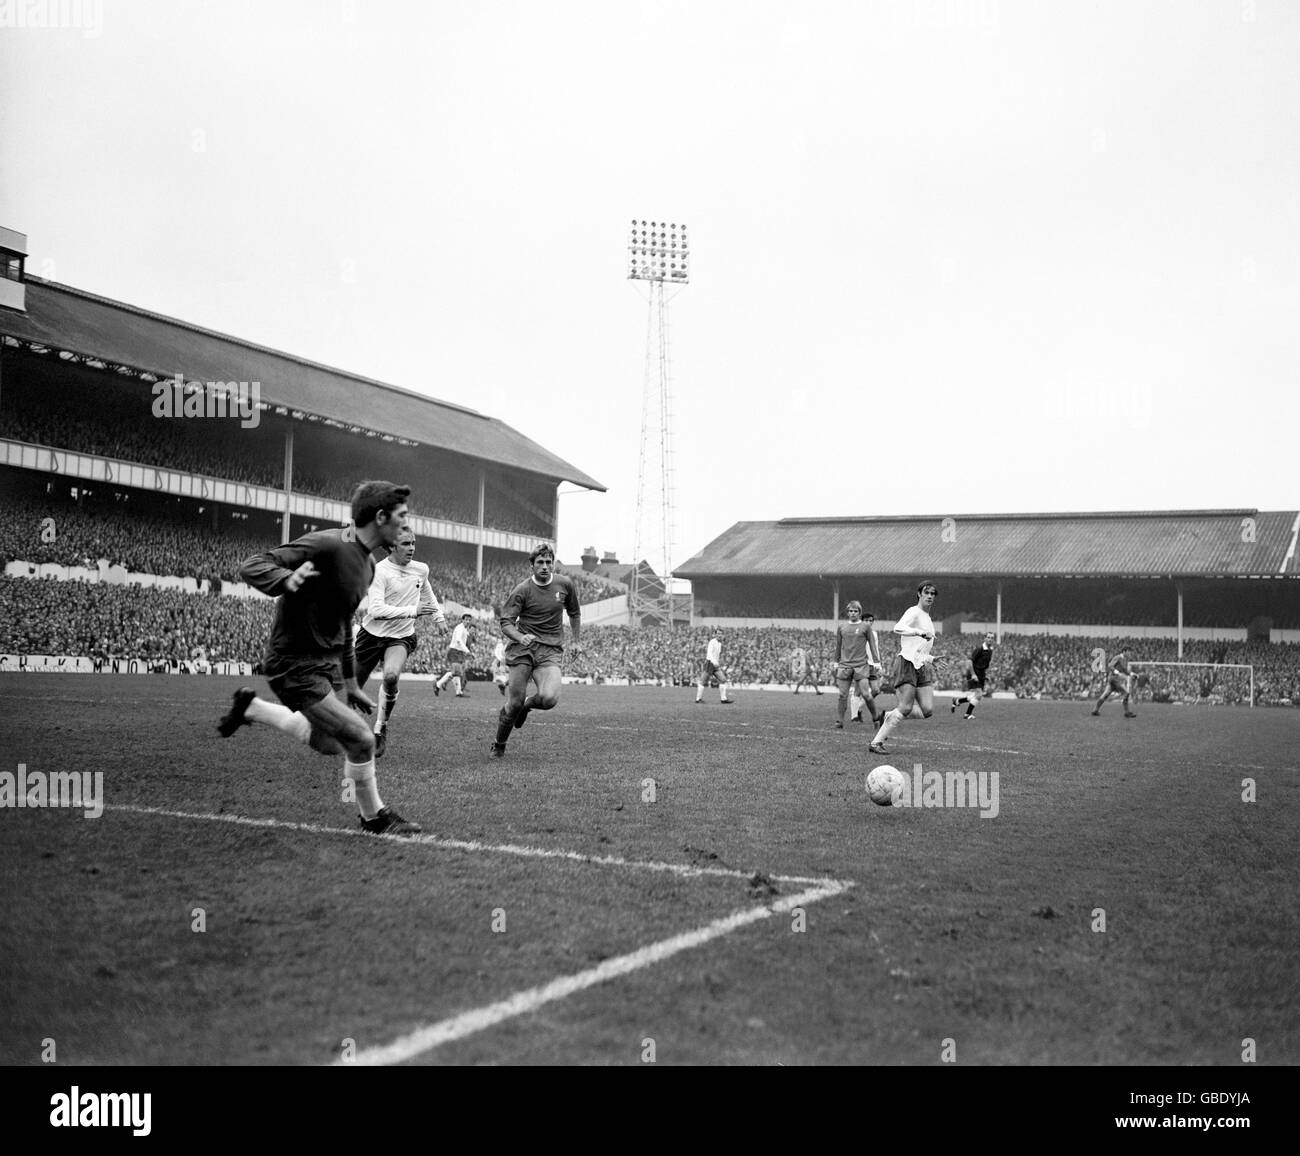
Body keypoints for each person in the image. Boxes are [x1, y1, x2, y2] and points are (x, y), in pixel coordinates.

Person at [217, 480, 422, 835]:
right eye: (401, 518)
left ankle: (252, 708)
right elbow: (253, 564)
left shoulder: (368, 566)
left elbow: (344, 624)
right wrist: (286, 579)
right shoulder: (329, 543)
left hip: (321, 667)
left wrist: (352, 684)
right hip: (293, 664)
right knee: (361, 738)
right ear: (380, 516)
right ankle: (374, 817)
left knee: (329, 743)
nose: (406, 526)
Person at [354, 527, 446, 758]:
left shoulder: (421, 569)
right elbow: (375, 610)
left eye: (413, 543)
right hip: (371, 636)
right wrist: (412, 611)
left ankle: (380, 728)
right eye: (406, 544)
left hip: (401, 637)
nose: (412, 548)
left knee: (391, 676)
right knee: (350, 691)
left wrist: (439, 617)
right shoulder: (379, 571)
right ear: (392, 547)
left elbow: (427, 593)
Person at [490, 544, 582, 757]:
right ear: (531, 565)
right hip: (523, 649)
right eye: (540, 562)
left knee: (549, 699)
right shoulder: (522, 590)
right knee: (513, 703)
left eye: (548, 562)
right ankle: (499, 744)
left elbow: (574, 613)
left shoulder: (565, 585)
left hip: (550, 650)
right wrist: (521, 637)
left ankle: (526, 707)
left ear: (553, 563)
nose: (545, 566)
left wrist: (576, 641)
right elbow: (506, 622)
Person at [870, 581, 939, 755]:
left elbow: (919, 648)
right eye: (927, 592)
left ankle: (889, 715)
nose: (930, 596)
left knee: (927, 710)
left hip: (921, 665)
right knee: (906, 707)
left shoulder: (928, 619)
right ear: (919, 594)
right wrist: (919, 632)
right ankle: (876, 743)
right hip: (907, 663)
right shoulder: (914, 612)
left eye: (933, 593)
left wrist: (931, 659)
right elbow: (898, 628)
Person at [833, 602, 883, 729]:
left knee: (866, 694)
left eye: (855, 611)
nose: (853, 613)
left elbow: (872, 645)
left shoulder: (865, 627)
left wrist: (877, 662)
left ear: (859, 613)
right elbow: (838, 645)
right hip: (844, 665)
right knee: (842, 695)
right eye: (850, 611)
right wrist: (835, 661)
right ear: (847, 612)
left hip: (861, 665)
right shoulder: (841, 627)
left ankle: (876, 717)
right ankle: (839, 721)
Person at [951, 631, 995, 720]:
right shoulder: (979, 649)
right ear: (984, 638)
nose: (990, 639)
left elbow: (985, 664)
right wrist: (973, 674)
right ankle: (967, 714)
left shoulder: (990, 650)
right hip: (974, 673)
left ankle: (957, 701)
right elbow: (969, 661)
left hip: (981, 674)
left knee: (977, 695)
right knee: (979, 695)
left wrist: (986, 675)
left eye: (992, 638)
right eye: (988, 637)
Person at [435, 614, 478, 698]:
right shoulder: (459, 628)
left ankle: (458, 692)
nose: (468, 621)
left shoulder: (465, 630)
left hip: (459, 652)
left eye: (469, 620)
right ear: (462, 620)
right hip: (454, 651)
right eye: (466, 619)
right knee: (456, 672)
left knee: (457, 673)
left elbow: (466, 639)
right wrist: (468, 651)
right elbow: (458, 640)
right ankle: (438, 684)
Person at [1092, 645, 1138, 718]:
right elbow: (1110, 665)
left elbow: (1125, 671)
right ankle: (1127, 712)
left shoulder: (1125, 660)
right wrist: (1116, 671)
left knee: (1105, 695)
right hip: (1114, 678)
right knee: (1126, 692)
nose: (1130, 654)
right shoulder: (1118, 657)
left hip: (1114, 679)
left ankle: (1095, 710)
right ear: (1124, 651)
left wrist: (1132, 674)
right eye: (1129, 652)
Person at [695, 627, 733, 704]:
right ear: (715, 634)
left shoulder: (720, 643)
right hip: (710, 663)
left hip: (715, 664)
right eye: (718, 633)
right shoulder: (712, 642)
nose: (720, 635)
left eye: (721, 634)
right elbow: (709, 653)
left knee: (723, 680)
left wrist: (718, 661)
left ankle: (723, 699)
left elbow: (717, 654)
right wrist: (714, 661)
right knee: (703, 681)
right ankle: (698, 699)